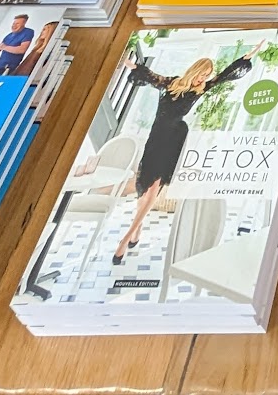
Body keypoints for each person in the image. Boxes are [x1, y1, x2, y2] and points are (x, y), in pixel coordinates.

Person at [113, 41, 265, 263]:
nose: (203, 77)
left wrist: (247, 57)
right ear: (195, 70)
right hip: (156, 136)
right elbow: (147, 75)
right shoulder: (171, 83)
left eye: (207, 74)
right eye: (202, 73)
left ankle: (124, 240)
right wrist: (127, 62)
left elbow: (225, 75)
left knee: (154, 187)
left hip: (174, 139)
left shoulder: (201, 89)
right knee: (143, 186)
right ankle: (137, 232)